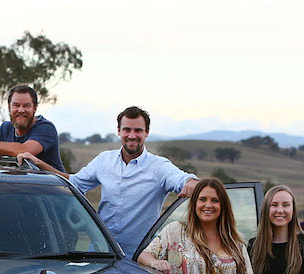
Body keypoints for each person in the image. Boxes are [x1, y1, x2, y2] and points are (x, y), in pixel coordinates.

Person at [19, 106, 197, 258]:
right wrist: (40, 164)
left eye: (138, 130)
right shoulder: (104, 160)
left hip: (141, 258)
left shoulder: (159, 167)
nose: (132, 135)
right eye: (127, 130)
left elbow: (183, 180)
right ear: (119, 131)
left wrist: (190, 182)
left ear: (147, 133)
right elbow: (75, 184)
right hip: (101, 253)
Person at [0, 84, 64, 171]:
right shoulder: (6, 128)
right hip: (21, 184)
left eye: (26, 106)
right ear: (9, 108)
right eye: (16, 105)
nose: (21, 110)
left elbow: (25, 150)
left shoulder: (45, 128)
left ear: (35, 108)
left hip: (53, 185)